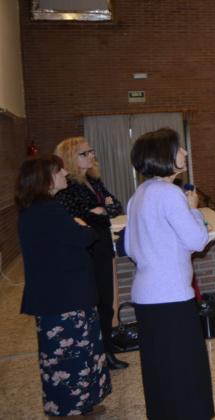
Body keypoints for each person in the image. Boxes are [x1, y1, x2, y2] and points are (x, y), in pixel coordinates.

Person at [126, 128, 214, 420]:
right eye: (179, 148)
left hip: (145, 294)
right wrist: (194, 210)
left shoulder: (139, 194)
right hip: (171, 295)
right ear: (163, 155)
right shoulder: (169, 193)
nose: (185, 152)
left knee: (160, 368)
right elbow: (197, 241)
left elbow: (130, 247)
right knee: (185, 369)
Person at [16, 155, 112, 418]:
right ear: (46, 178)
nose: (65, 173)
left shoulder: (38, 209)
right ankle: (70, 410)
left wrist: (81, 225)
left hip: (65, 295)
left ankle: (83, 405)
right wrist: (84, 224)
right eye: (59, 170)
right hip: (62, 299)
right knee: (70, 358)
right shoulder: (47, 211)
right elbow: (84, 237)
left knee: (83, 352)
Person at [54, 137, 128, 371]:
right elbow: (72, 218)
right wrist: (98, 211)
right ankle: (99, 353)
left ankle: (107, 348)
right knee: (94, 303)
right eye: (85, 153)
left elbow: (116, 206)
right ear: (70, 158)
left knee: (106, 302)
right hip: (86, 250)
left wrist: (100, 210)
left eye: (91, 151)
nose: (91, 155)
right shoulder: (67, 186)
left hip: (103, 244)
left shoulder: (93, 181)